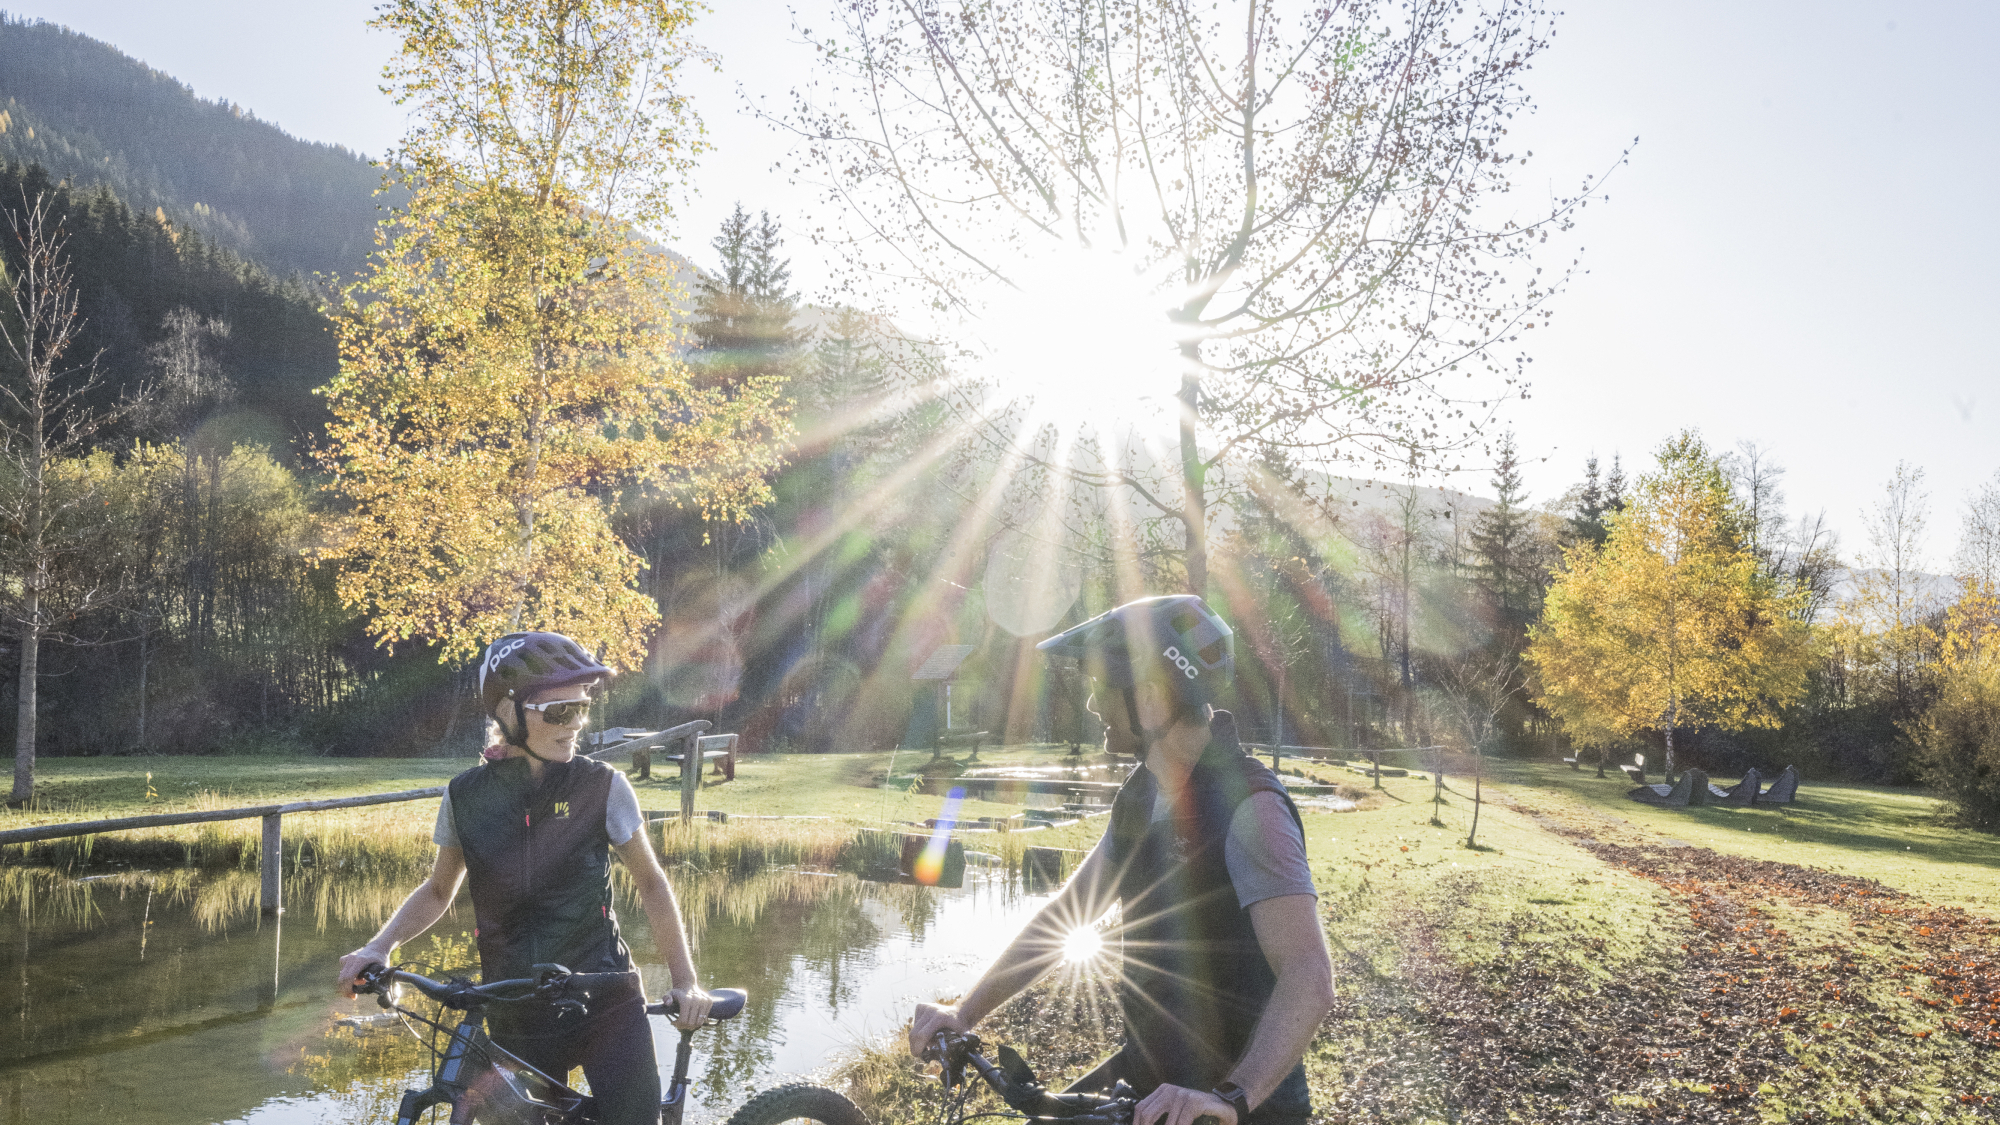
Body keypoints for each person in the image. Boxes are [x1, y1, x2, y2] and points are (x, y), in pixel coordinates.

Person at [908, 596, 1335, 1125]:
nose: (1091, 706)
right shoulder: (1141, 796)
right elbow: (1066, 916)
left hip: (1240, 1109)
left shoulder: (1251, 810)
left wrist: (1231, 1097)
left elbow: (1309, 977)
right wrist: (964, 1011)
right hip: (1153, 1085)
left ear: (1151, 700)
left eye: (1099, 689)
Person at [336, 631, 712, 1125]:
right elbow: (437, 890)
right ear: (509, 714)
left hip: (604, 1002)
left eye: (581, 708)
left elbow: (652, 885)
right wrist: (379, 947)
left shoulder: (602, 787)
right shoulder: (465, 797)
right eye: (559, 712)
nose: (576, 723)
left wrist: (686, 982)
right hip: (513, 1009)